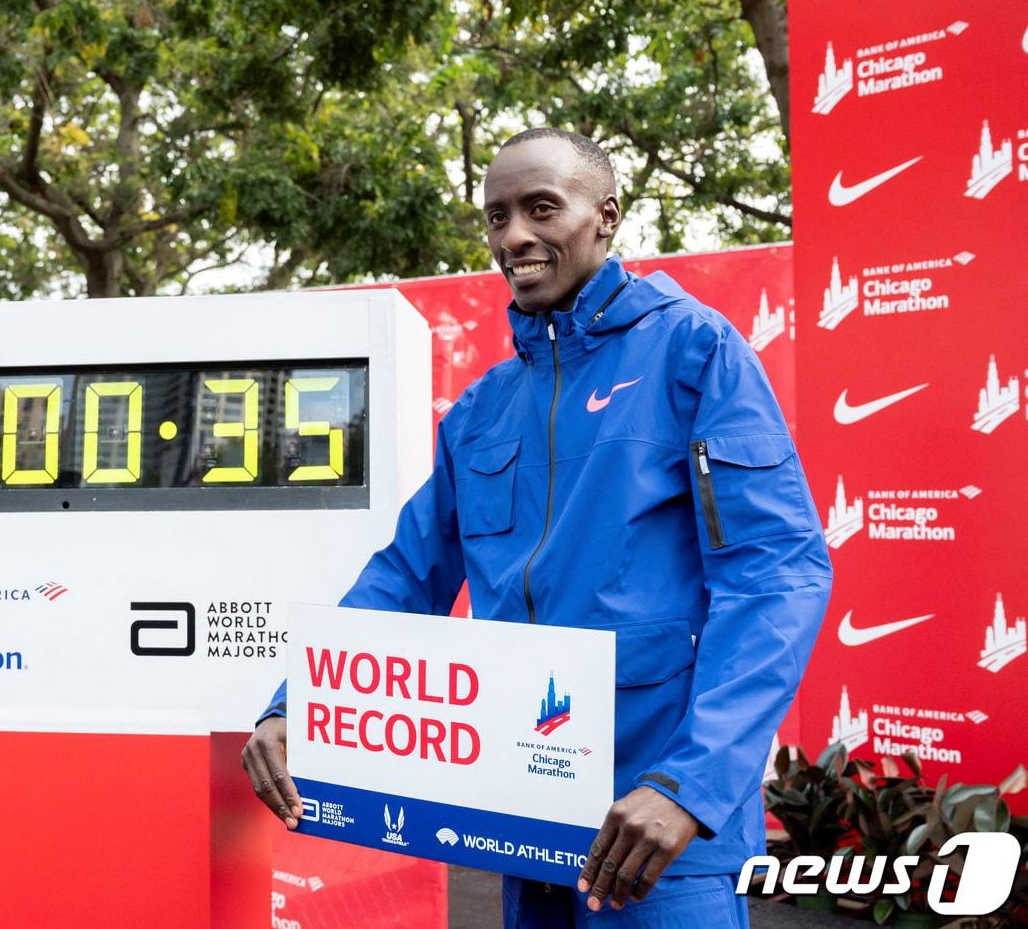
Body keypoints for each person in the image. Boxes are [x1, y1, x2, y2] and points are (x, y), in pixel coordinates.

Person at [242, 128, 832, 927]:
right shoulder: (483, 408)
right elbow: (406, 577)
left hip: (656, 829)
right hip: (522, 818)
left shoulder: (696, 353)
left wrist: (689, 786)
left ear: (607, 216)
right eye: (496, 217)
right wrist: (295, 705)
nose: (513, 236)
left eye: (541, 208)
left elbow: (775, 574)